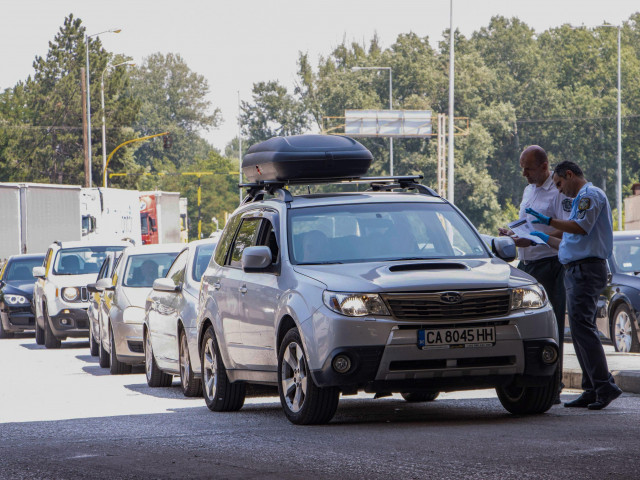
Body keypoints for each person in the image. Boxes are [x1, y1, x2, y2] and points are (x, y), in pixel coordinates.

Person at [527, 160, 623, 410]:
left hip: (587, 269)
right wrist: (541, 237)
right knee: (579, 332)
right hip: (577, 270)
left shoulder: (589, 196)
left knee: (583, 329)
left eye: (559, 184)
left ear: (569, 175)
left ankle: (604, 385)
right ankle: (592, 388)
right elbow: (568, 243)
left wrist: (548, 220)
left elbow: (580, 228)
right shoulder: (579, 201)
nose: (559, 190)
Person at [498, 145, 571, 403]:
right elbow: (528, 225)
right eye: (522, 168)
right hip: (527, 265)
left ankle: (553, 386)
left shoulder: (558, 191)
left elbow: (566, 230)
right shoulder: (529, 190)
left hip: (550, 265)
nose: (524, 174)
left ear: (544, 166)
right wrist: (515, 236)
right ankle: (526, 380)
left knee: (550, 327)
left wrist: (536, 239)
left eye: (528, 168)